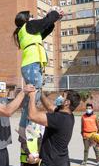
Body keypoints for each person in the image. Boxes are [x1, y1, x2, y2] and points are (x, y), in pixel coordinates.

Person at [13, 7, 64, 136]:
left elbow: (47, 27)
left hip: (32, 65)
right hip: (32, 65)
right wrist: (53, 12)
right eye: (31, 15)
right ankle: (25, 126)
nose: (34, 17)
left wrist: (54, 18)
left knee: (33, 95)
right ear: (26, 19)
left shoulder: (28, 30)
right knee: (33, 94)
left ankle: (25, 125)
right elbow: (45, 22)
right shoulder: (28, 26)